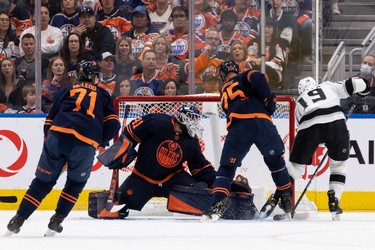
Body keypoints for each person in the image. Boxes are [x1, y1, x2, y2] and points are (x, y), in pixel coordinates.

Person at [6, 60, 121, 236]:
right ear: (93, 76)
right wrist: (99, 142)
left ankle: (18, 219)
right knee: (75, 183)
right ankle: (57, 221)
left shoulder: (66, 89)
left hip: (57, 135)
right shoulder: (104, 94)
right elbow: (113, 125)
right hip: (85, 141)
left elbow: (50, 120)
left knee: (42, 182)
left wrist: (50, 140)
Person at [203, 60, 292, 221]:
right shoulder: (245, 75)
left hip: (239, 126)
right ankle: (287, 204)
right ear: (237, 69)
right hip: (261, 121)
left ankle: (217, 205)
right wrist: (266, 98)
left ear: (222, 76)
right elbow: (258, 76)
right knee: (276, 163)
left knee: (226, 169)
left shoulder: (223, 90)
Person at [102, 104, 216, 217]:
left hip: (172, 179)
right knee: (118, 208)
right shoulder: (157, 122)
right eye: (193, 119)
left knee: (200, 189)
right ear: (183, 118)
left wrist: (217, 182)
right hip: (142, 178)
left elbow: (200, 166)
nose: (195, 123)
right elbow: (132, 131)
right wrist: (121, 150)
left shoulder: (191, 141)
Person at [286, 76, 370, 220]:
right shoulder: (328, 86)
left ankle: (281, 197)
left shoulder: (299, 101)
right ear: (316, 84)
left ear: (301, 91)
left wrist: (319, 139)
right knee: (339, 166)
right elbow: (357, 83)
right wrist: (365, 89)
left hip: (309, 126)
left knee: (296, 167)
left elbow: (303, 129)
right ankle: (334, 200)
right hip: (337, 123)